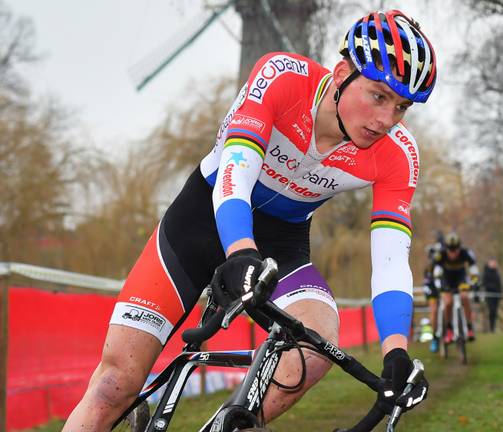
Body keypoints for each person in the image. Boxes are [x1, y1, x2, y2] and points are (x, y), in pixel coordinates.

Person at [64, 10, 435, 430]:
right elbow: (234, 176)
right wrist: (241, 251)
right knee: (115, 384)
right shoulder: (282, 77)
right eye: (378, 96)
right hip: (203, 218)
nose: (386, 120)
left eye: (402, 107)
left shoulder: (397, 155)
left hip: (282, 242)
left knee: (319, 340)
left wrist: (396, 353)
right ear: (342, 73)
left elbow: (390, 260)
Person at [432, 232, 480, 343]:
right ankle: (449, 329)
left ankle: (469, 327)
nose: (453, 254)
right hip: (446, 280)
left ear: (459, 248)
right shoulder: (441, 254)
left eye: (455, 251)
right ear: (447, 249)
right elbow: (437, 273)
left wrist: (474, 282)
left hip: (460, 278)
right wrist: (440, 286)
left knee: (465, 297)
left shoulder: (466, 253)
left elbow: (473, 269)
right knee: (448, 302)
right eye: (451, 251)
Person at [424, 233, 444, 352]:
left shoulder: (445, 250)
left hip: (444, 282)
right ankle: (435, 338)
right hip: (431, 284)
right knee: (434, 310)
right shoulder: (433, 253)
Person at [482, 259, 503, 332]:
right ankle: (489, 328)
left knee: (494, 312)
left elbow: (499, 285)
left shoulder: (497, 273)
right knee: (491, 310)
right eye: (492, 262)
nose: (494, 264)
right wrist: (493, 288)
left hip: (496, 296)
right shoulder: (486, 273)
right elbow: (484, 284)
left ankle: (493, 328)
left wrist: (500, 294)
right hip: (489, 295)